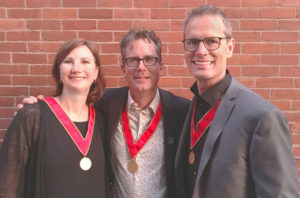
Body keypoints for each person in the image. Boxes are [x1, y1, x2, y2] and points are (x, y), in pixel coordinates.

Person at [14, 29, 190, 198]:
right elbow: (69, 108)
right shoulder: (105, 105)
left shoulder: (181, 111)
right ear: (123, 67)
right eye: (132, 60)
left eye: (150, 59)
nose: (141, 67)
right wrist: (34, 110)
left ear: (161, 67)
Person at [174, 5, 300, 198]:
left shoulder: (262, 117)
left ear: (230, 47)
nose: (200, 51)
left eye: (211, 41)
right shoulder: (190, 109)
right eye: (192, 42)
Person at [0, 39, 107, 198]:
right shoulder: (33, 115)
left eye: (85, 61)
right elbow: (8, 184)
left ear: (96, 72)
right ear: (59, 71)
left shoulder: (100, 120)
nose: (76, 68)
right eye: (68, 61)